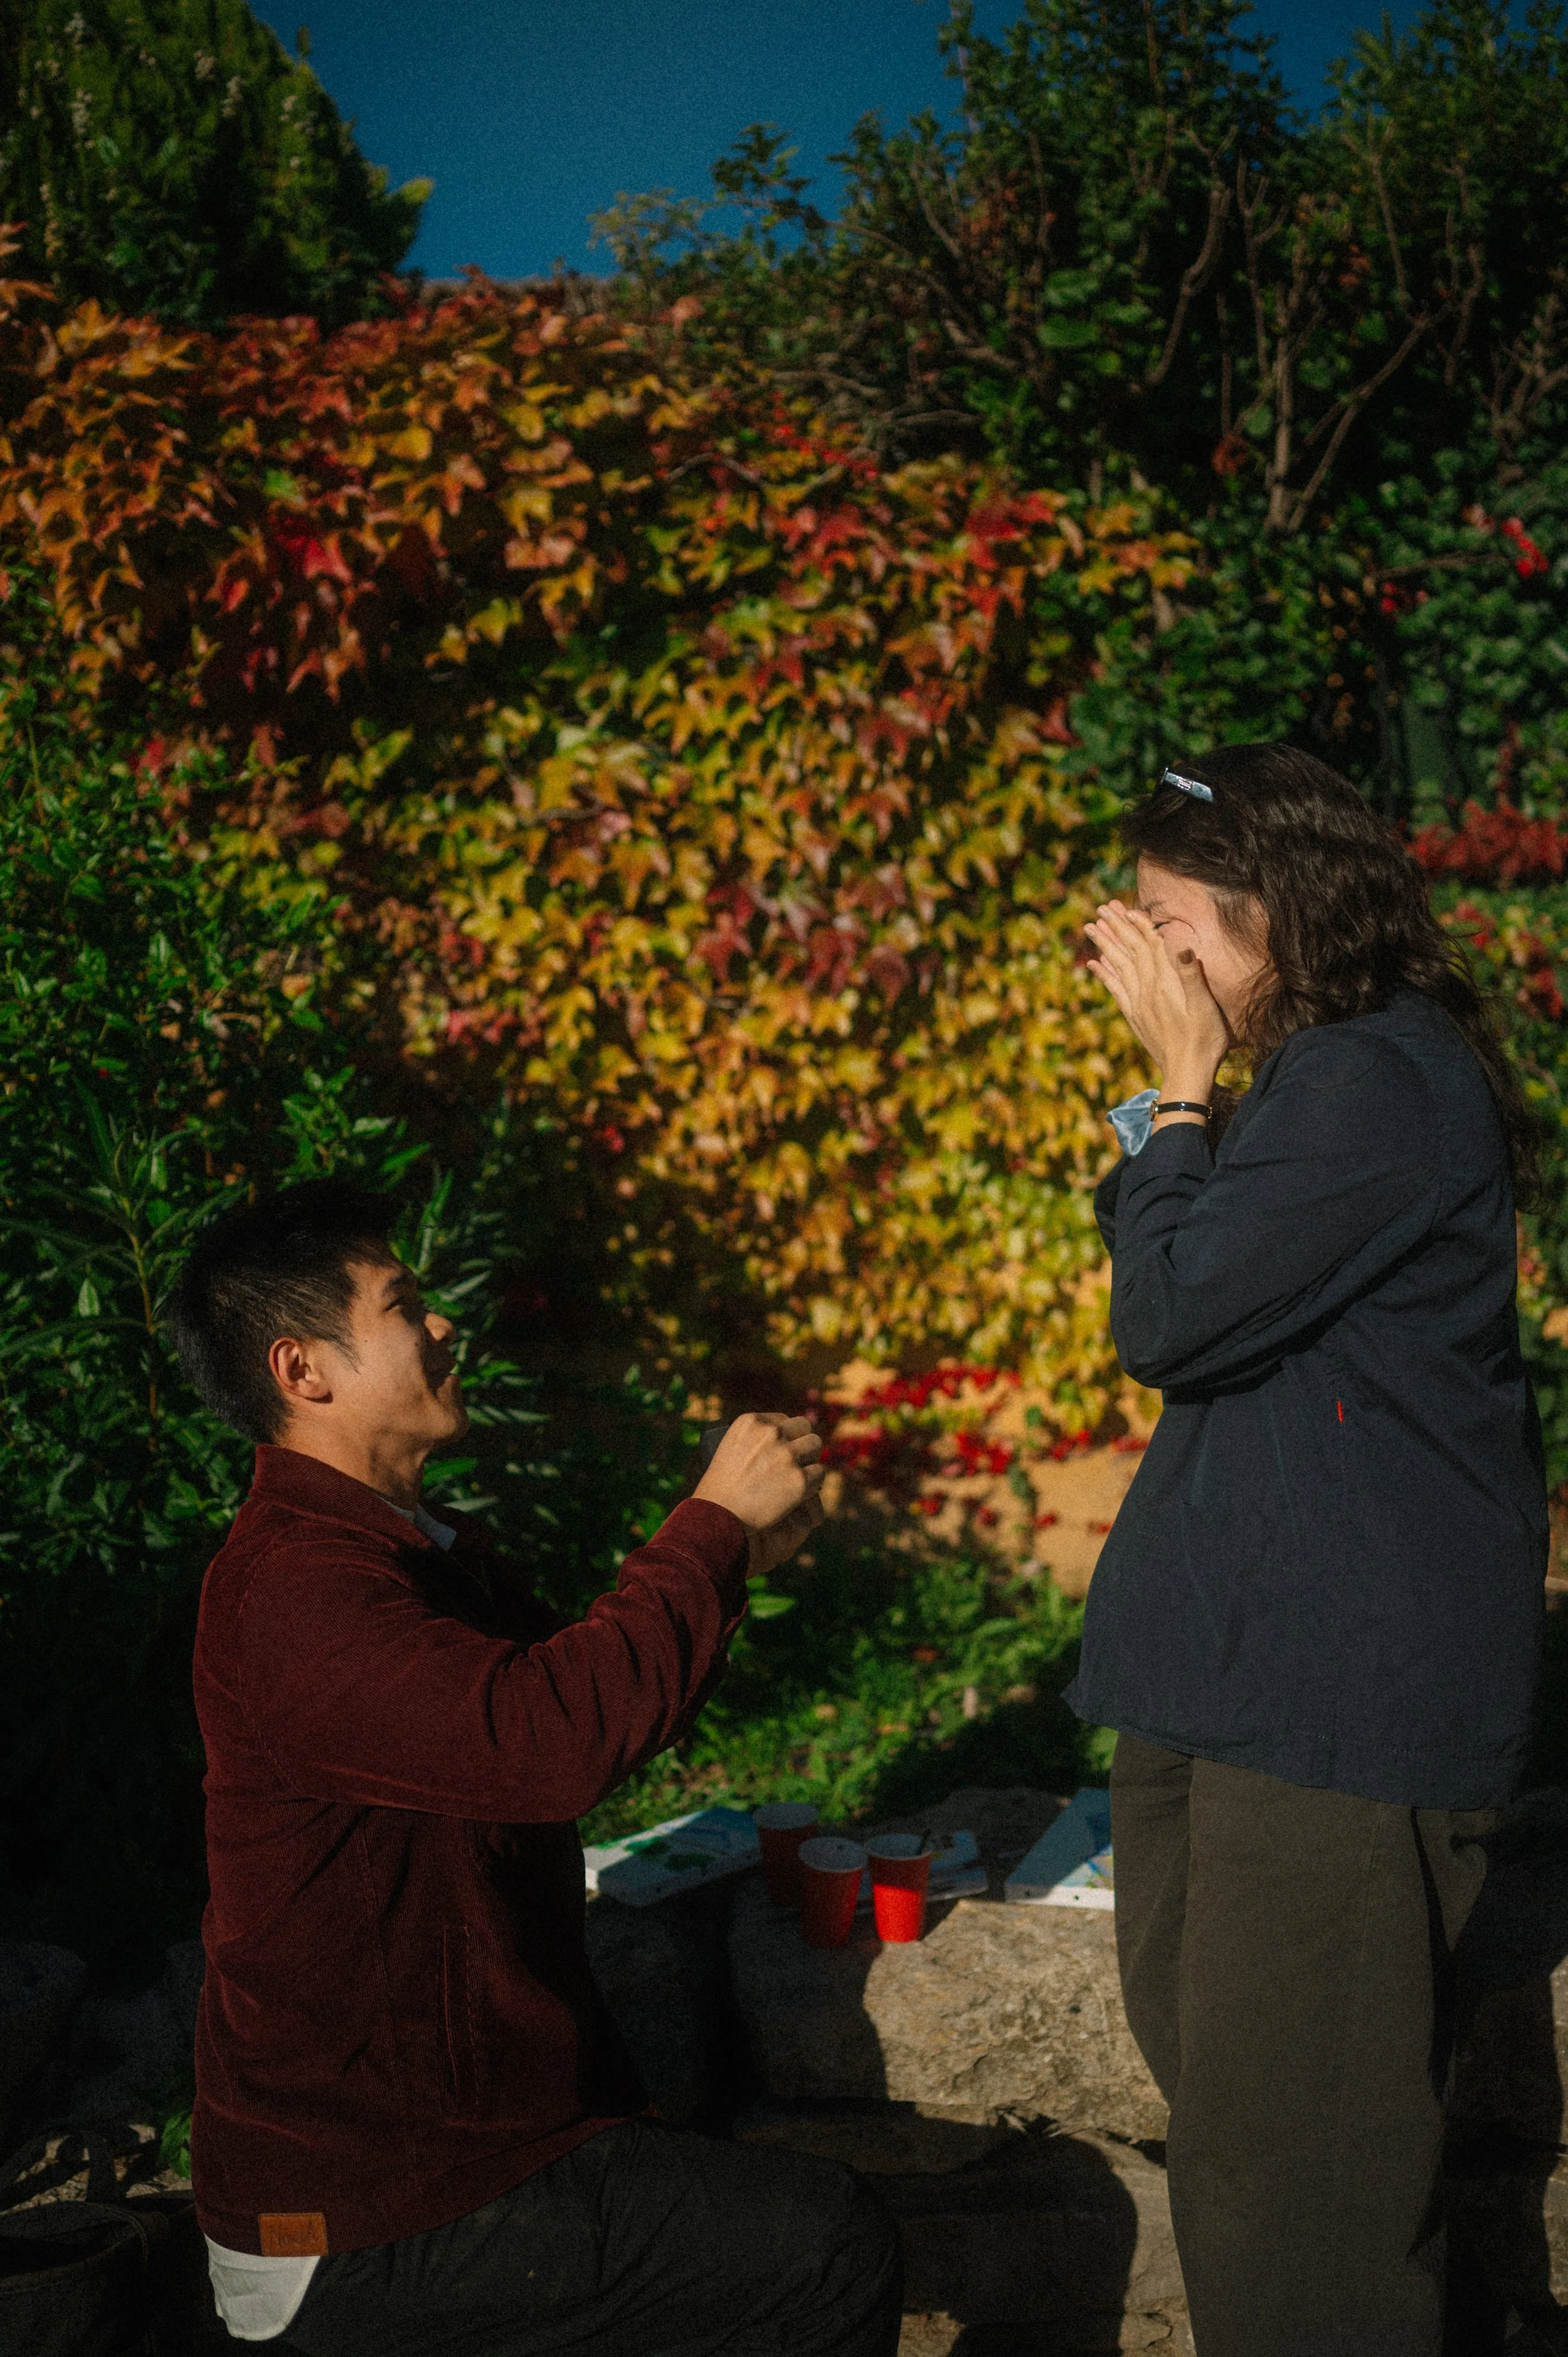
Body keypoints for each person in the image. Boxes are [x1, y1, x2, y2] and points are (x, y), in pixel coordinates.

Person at [169, 1179, 902, 2356]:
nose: (445, 1323)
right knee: (822, 2247)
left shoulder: (395, 1554)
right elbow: (549, 1743)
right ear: (304, 1371)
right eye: (405, 1305)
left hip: (461, 2150)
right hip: (367, 2208)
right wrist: (706, 1526)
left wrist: (734, 1560)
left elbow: (582, 1714)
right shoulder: (293, 1591)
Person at [1073, 745, 1547, 2357]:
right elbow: (1189, 1265)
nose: (1140, 958)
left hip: (1330, 1702)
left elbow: (1169, 1313)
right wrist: (1173, 1116)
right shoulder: (1332, 1076)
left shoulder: (1372, 1080)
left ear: (1273, 918)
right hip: (1242, 1682)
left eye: (1166, 923)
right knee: (1247, 2127)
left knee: (1295, 2197)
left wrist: (1177, 1099)